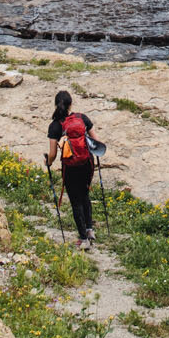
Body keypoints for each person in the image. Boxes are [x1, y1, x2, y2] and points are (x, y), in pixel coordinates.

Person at [44, 89, 98, 247]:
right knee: (85, 195)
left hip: (71, 167)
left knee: (76, 201)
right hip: (87, 164)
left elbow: (53, 153)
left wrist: (48, 162)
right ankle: (89, 230)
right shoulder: (82, 118)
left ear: (56, 105)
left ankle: (84, 239)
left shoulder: (55, 125)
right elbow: (96, 141)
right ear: (71, 104)